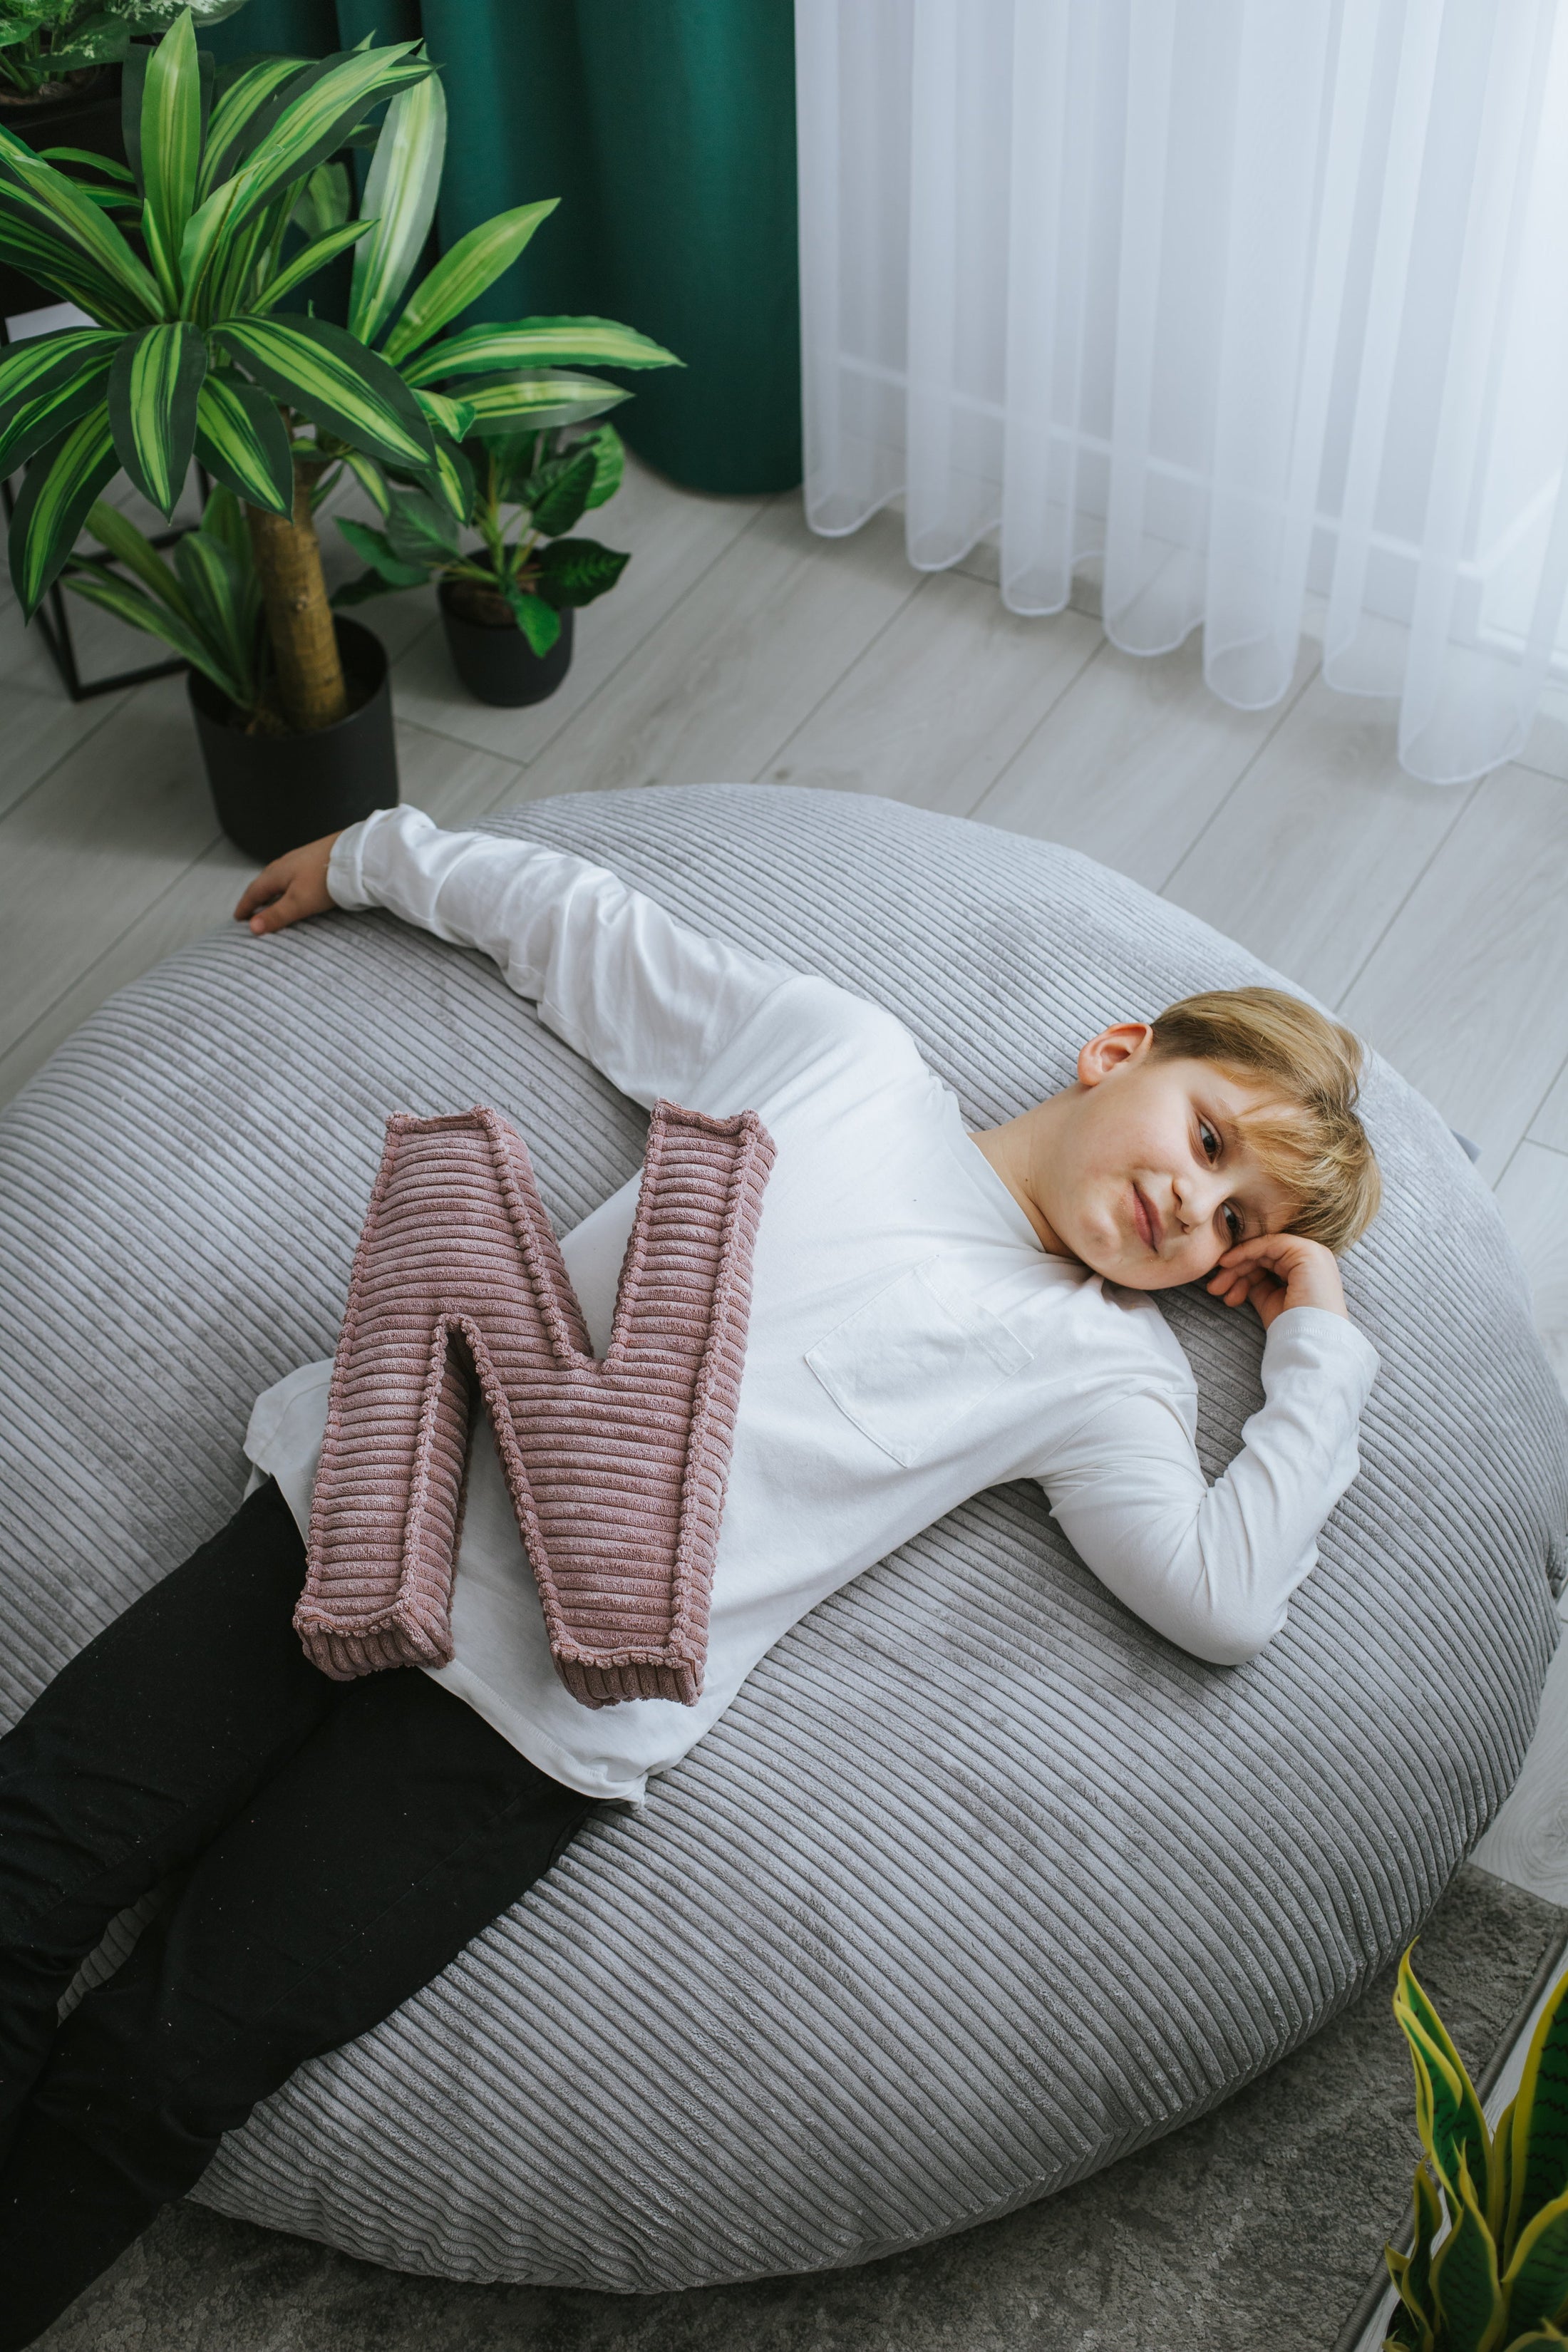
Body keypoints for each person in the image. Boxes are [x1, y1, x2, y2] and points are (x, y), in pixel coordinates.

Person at [0, 806, 1381, 2344]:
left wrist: (1312, 1340)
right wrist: (377, 857)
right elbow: (588, 936)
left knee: (166, 2066)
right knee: (25, 1859)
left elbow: (1225, 1596)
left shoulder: (1098, 1373)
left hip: (516, 1737)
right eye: (1205, 1140)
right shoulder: (843, 1065)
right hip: (352, 1522)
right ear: (1115, 1050)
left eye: (1236, 1226)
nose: (1195, 1209)